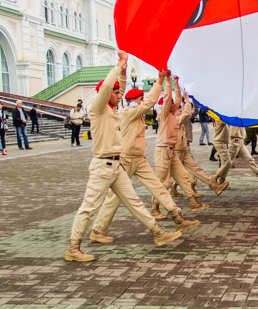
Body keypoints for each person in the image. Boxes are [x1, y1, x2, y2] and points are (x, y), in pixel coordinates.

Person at [66, 52, 182, 262]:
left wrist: (128, 69)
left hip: (115, 165)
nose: (120, 94)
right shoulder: (97, 108)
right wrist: (119, 64)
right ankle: (73, 248)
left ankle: (158, 233)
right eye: (116, 92)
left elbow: (118, 85)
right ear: (106, 93)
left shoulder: (112, 110)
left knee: (134, 201)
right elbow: (110, 86)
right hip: (102, 166)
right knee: (89, 208)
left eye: (121, 92)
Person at [89, 69, 200, 243]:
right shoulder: (128, 112)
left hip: (138, 157)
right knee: (116, 197)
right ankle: (98, 230)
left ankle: (177, 217)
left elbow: (148, 104)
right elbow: (148, 103)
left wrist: (167, 82)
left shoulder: (134, 112)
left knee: (158, 186)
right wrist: (160, 80)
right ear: (134, 100)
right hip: (126, 158)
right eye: (140, 99)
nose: (143, 102)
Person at [152, 74, 218, 217]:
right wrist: (167, 81)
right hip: (163, 151)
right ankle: (154, 208)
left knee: (183, 176)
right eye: (171, 103)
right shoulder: (163, 115)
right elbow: (170, 100)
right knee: (163, 182)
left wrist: (178, 88)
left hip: (172, 152)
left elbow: (183, 108)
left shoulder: (174, 116)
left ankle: (193, 202)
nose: (175, 104)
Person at [170, 79, 219, 201]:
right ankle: (168, 194)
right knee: (176, 174)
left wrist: (192, 100)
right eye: (178, 110)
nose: (181, 111)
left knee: (194, 168)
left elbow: (192, 112)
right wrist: (187, 100)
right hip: (177, 149)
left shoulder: (181, 117)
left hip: (184, 146)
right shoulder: (175, 119)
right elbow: (187, 112)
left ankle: (210, 186)